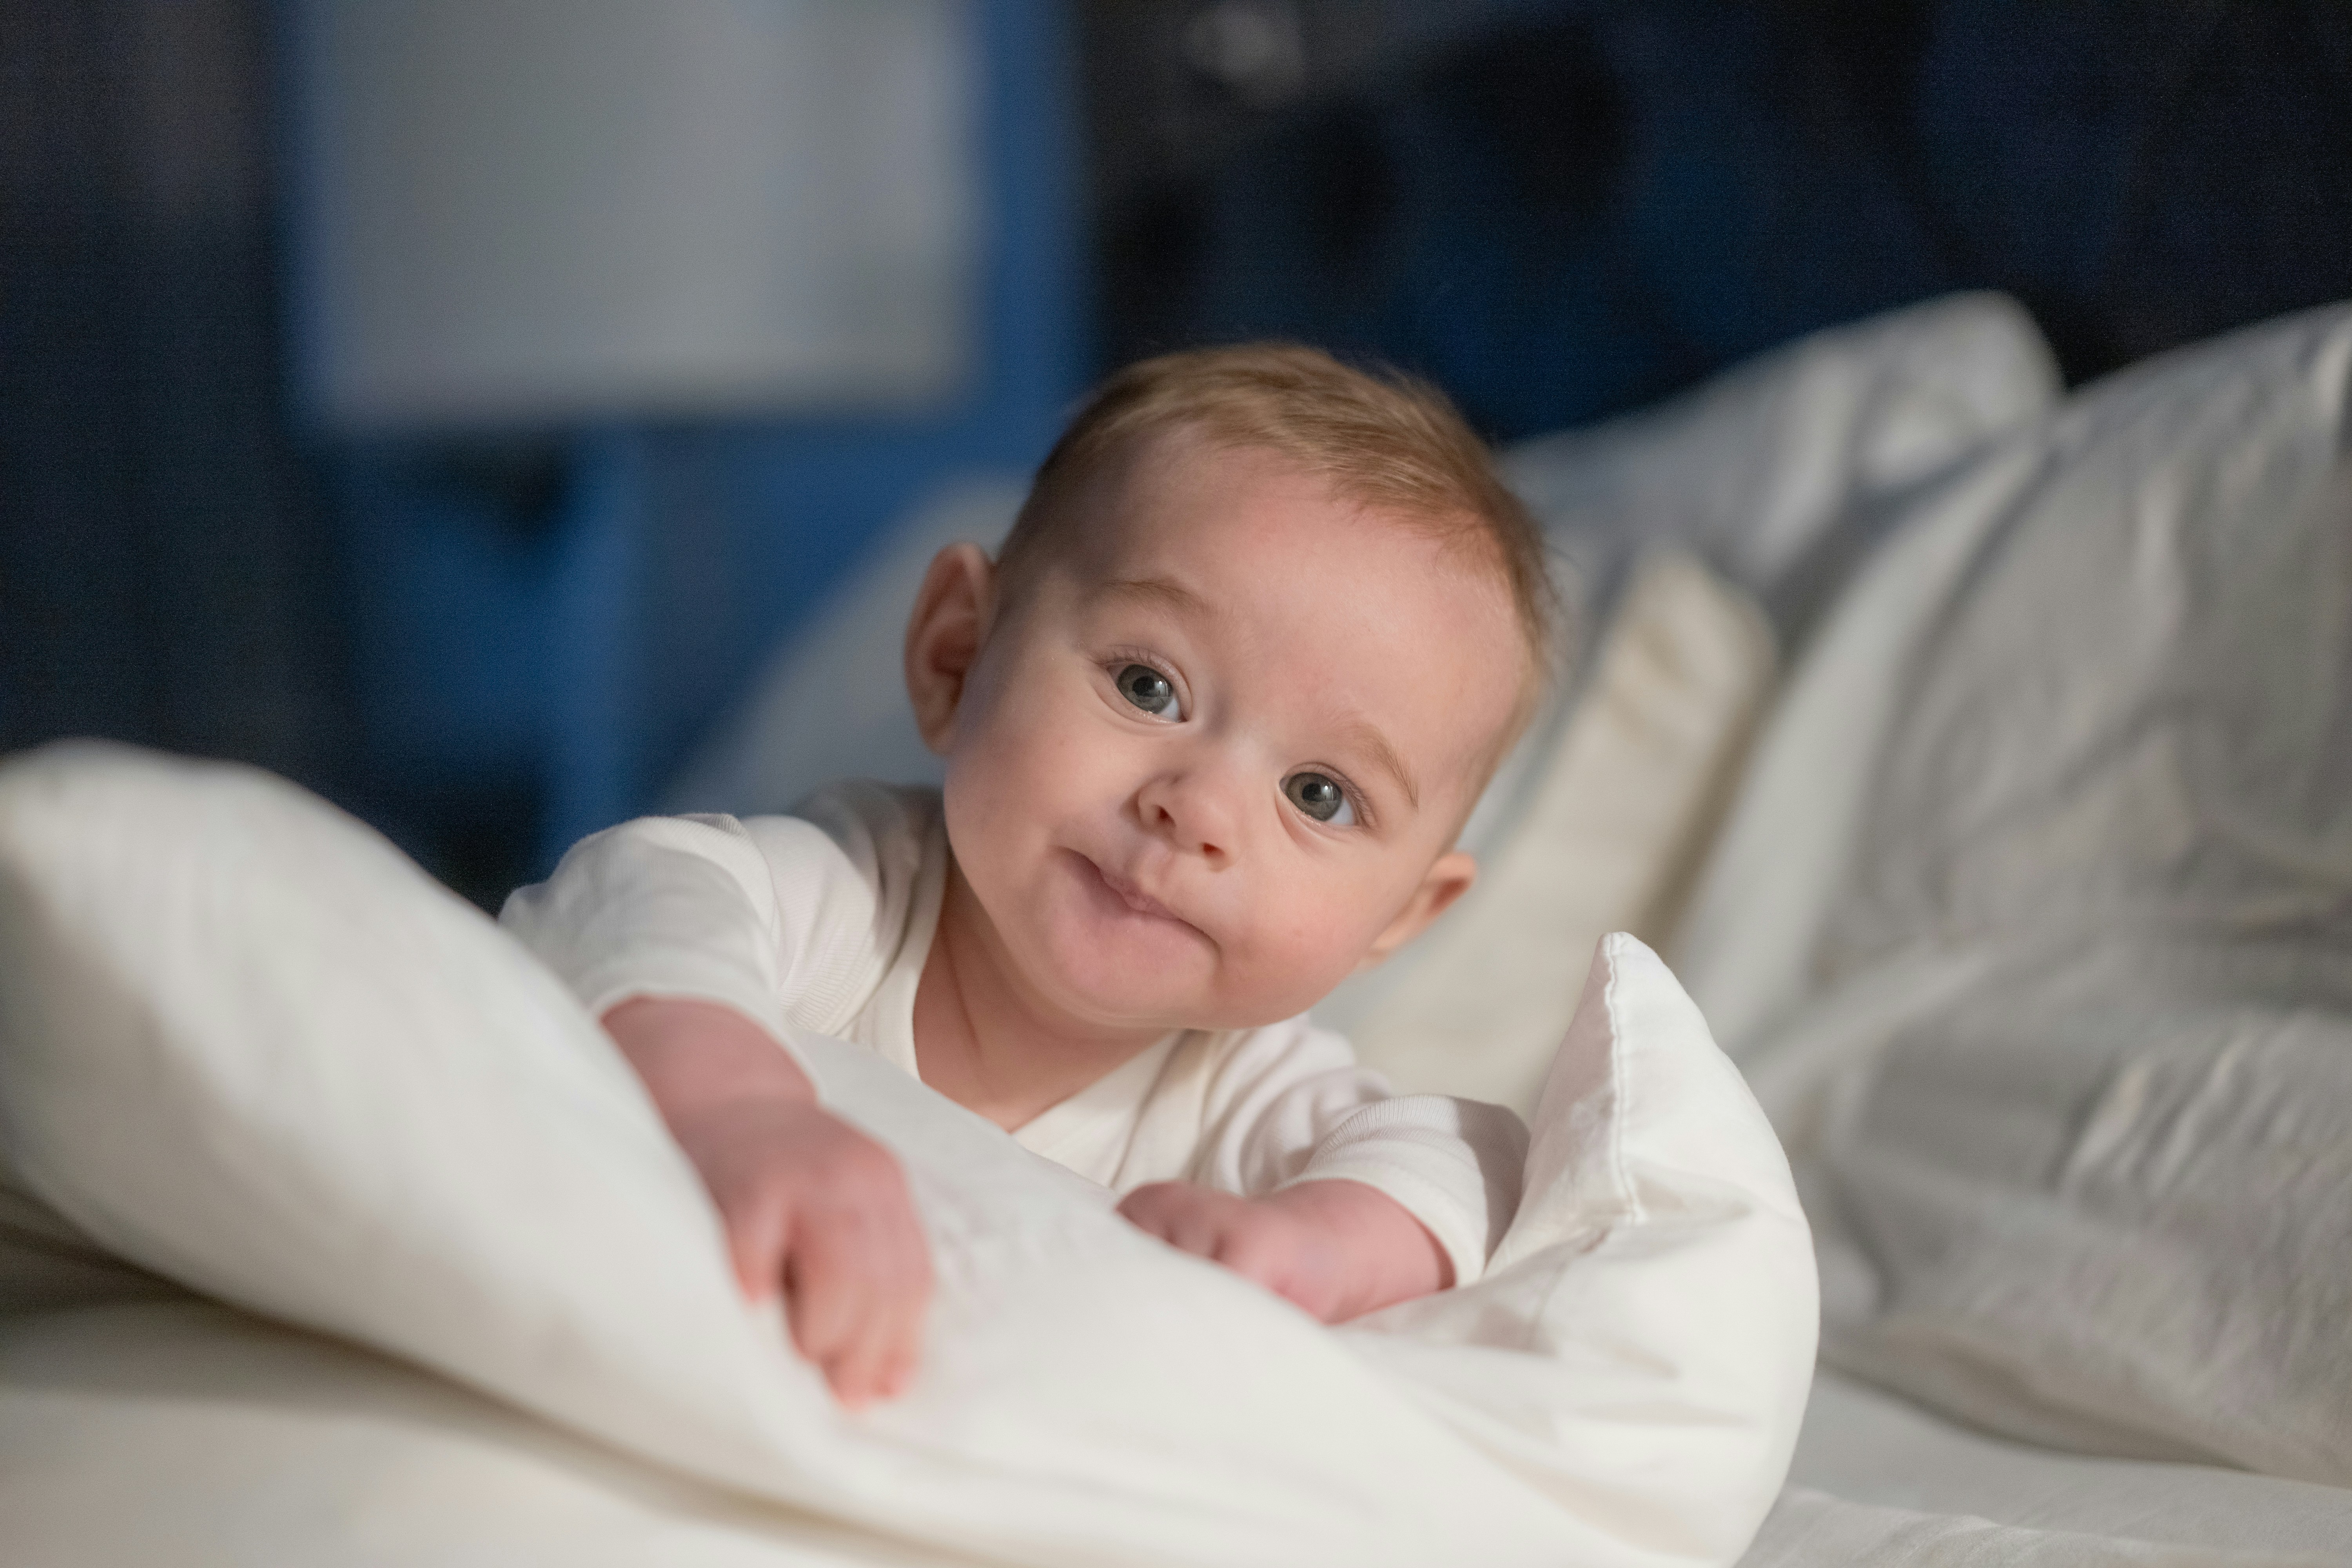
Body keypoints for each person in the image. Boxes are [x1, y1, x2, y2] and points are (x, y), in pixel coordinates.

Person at [502, 344, 1555, 1408]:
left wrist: (1314, 1253)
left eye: (1320, 795)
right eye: (1149, 686)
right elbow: (639, 893)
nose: (1196, 811)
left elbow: (1464, 1168)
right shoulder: (857, 897)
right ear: (957, 656)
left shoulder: (1249, 1095)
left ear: (1403, 915)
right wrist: (736, 1106)